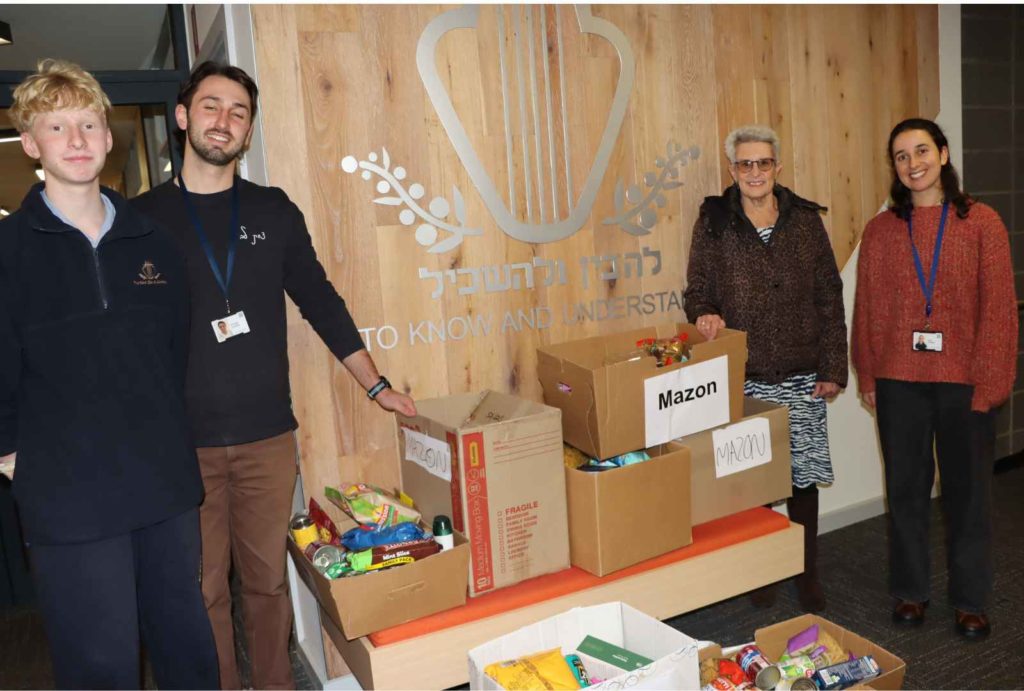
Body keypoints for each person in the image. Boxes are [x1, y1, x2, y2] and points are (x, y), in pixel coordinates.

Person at [132, 61, 417, 690]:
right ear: (183, 117)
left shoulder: (273, 210)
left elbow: (320, 300)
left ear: (249, 130)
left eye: (238, 112)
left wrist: (377, 386)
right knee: (202, 589)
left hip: (266, 439)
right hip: (182, 445)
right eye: (210, 107)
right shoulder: (141, 221)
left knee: (265, 583)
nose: (223, 121)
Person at [0, 59, 217, 689]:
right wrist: (11, 451)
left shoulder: (154, 243)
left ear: (107, 135)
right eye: (57, 126)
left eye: (89, 123)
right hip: (67, 496)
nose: (76, 139)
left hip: (163, 484)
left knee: (187, 649)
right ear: (31, 143)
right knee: (101, 664)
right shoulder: (10, 254)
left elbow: (174, 354)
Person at [851, 118, 1017, 638]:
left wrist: (990, 383)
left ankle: (970, 599)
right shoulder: (881, 230)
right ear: (894, 168)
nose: (912, 162)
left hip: (965, 383)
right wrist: (869, 374)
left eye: (921, 150)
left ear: (943, 155)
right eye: (901, 156)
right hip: (899, 381)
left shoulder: (982, 223)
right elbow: (868, 308)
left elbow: (999, 310)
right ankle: (910, 592)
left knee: (969, 497)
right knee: (904, 492)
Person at [684, 125, 847, 613]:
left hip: (801, 372)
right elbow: (697, 287)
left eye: (764, 163)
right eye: (745, 164)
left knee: (801, 481)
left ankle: (806, 572)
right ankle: (762, 570)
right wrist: (704, 312)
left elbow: (829, 295)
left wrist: (833, 365)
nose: (755, 172)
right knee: (753, 483)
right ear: (731, 169)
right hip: (744, 379)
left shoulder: (803, 220)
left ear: (778, 167)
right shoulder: (714, 220)